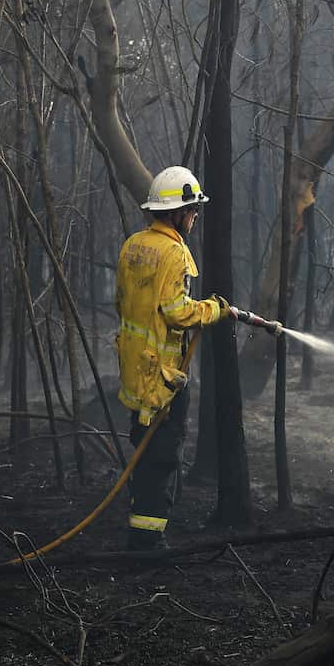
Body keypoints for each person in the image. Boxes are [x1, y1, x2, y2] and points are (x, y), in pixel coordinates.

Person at [115, 165, 230, 551]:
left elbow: (122, 302)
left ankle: (140, 531)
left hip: (134, 370)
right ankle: (148, 543)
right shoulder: (175, 253)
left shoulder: (134, 245)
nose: (195, 217)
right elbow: (176, 310)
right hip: (164, 379)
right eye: (193, 210)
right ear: (179, 212)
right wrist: (213, 310)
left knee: (145, 452)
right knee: (161, 458)